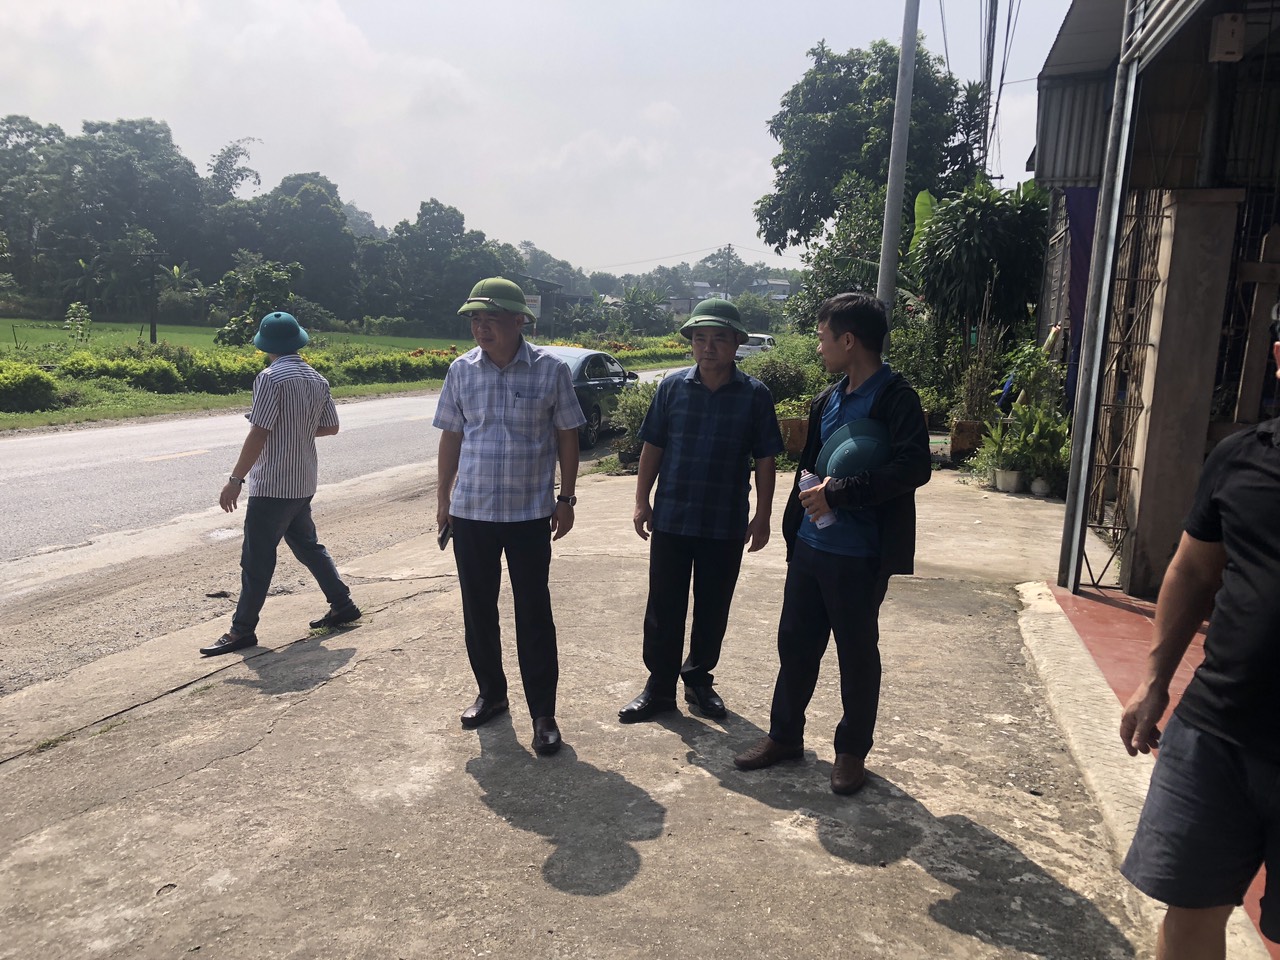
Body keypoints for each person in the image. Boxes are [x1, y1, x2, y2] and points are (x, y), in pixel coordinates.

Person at [1118, 328, 1280, 959]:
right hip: (1217, 733)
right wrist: (1153, 681)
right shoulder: (1242, 459)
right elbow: (1191, 571)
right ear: (1278, 357)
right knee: (1188, 915)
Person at [734, 292, 931, 795]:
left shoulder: (896, 399)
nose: (819, 347)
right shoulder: (827, 398)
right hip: (810, 549)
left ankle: (850, 753)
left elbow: (914, 467)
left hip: (860, 556)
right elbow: (811, 468)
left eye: (822, 338)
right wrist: (792, 524)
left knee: (856, 654)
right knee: (796, 645)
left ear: (848, 340)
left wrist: (839, 493)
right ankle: (784, 737)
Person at [434, 277, 585, 757]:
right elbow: (451, 436)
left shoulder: (550, 370)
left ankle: (543, 714)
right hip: (472, 511)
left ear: (519, 321)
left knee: (534, 613)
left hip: (529, 514)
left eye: (493, 319)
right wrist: (443, 499)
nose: (482, 328)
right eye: (476, 320)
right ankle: (492, 694)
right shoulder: (461, 370)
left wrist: (567, 497)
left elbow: (567, 435)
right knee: (478, 610)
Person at [619, 298, 784, 724]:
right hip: (672, 517)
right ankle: (659, 688)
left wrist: (763, 516)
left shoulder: (755, 395)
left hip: (724, 521)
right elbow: (653, 446)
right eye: (700, 338)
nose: (708, 347)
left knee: (713, 605)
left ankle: (698, 680)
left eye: (719, 338)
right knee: (664, 606)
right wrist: (641, 500)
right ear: (691, 343)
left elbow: (766, 459)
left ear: (736, 343)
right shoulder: (672, 388)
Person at [201, 311, 360, 656]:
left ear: (265, 344)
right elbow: (331, 426)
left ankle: (241, 630)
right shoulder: (317, 378)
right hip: (302, 481)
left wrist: (235, 479)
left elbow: (259, 432)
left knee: (256, 559)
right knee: (307, 546)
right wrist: (297, 430)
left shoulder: (270, 378)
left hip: (273, 485)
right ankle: (342, 604)